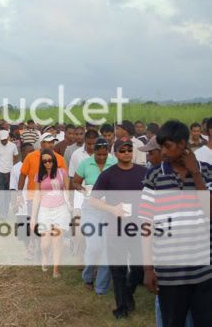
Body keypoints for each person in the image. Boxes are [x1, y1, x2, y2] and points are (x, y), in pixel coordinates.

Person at [139, 121, 212, 327]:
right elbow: (146, 225)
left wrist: (196, 174)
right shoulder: (153, 175)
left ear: (183, 144)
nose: (163, 152)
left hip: (204, 272)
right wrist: (147, 268)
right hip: (169, 273)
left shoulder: (207, 172)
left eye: (168, 146)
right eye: (161, 146)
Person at [90, 137, 147, 319]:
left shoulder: (143, 172)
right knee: (118, 270)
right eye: (122, 150)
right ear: (116, 153)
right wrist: (112, 209)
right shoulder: (108, 175)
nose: (127, 153)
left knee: (138, 269)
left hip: (137, 228)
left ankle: (127, 294)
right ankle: (121, 307)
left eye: (129, 150)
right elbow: (93, 200)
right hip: (116, 229)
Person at [72, 137, 116, 295]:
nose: (102, 157)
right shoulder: (86, 163)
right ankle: (88, 277)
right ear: (94, 151)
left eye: (105, 154)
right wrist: (83, 189)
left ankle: (101, 286)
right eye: (99, 154)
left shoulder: (114, 163)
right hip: (90, 209)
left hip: (109, 209)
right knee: (94, 245)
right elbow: (75, 182)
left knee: (106, 247)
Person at [30, 148, 71, 278]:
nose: (47, 163)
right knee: (45, 244)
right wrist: (33, 217)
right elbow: (37, 196)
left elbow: (67, 190)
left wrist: (69, 205)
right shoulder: (39, 176)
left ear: (53, 160)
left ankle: (56, 269)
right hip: (45, 210)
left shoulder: (62, 172)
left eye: (49, 160)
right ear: (42, 163)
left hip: (60, 209)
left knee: (57, 240)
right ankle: (44, 255)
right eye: (44, 161)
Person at [0, 129, 19, 219]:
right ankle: (1, 213)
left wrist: (14, 171)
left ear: (8, 137)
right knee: (0, 194)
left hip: (10, 173)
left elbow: (16, 158)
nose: (4, 141)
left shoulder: (13, 146)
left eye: (5, 139)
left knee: (7, 195)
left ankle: (6, 212)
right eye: (2, 140)